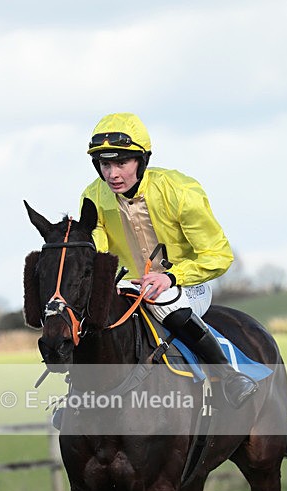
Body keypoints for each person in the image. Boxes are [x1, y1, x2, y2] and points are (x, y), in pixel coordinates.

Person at [82, 112, 258, 409]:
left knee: (163, 299)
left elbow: (219, 256)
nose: (112, 174)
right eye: (105, 164)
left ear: (142, 160)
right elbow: (97, 251)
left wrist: (171, 276)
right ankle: (78, 397)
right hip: (129, 286)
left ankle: (229, 376)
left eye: (122, 163)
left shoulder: (180, 191)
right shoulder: (93, 196)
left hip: (186, 285)